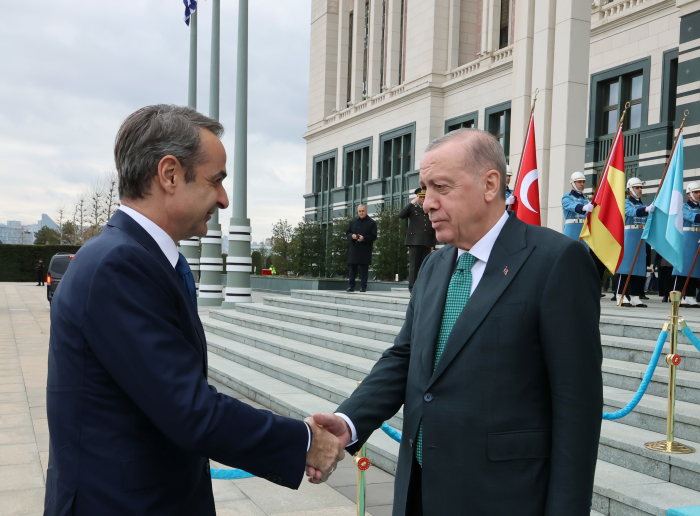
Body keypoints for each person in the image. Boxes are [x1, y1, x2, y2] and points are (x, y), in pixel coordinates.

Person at [44, 105, 344, 516]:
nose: (223, 198)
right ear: (169, 174)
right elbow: (189, 410)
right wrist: (304, 442)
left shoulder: (145, 259)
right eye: (215, 180)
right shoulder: (119, 266)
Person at [307, 128, 603, 515]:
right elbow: (405, 357)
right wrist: (349, 421)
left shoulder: (557, 261)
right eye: (424, 189)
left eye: (441, 188)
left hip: (503, 498)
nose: (427, 203)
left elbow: (577, 406)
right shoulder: (435, 264)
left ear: (490, 184)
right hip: (419, 492)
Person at [561, 171, 607, 296]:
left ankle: (582, 288)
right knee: (571, 260)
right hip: (572, 230)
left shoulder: (587, 200)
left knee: (584, 261)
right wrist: (583, 208)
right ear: (573, 183)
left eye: (583, 182)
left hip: (585, 230)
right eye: (579, 182)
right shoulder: (567, 197)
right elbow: (571, 206)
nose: (582, 184)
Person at [612, 178, 653, 307]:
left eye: (641, 187)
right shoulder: (625, 203)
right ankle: (620, 295)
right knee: (625, 266)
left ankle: (634, 296)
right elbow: (631, 212)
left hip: (640, 235)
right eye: (637, 188)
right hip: (629, 235)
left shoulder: (643, 205)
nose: (640, 190)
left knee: (639, 266)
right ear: (630, 190)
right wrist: (646, 210)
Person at [398, 188, 437, 294]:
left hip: (426, 242)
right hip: (414, 242)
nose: (423, 199)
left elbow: (433, 228)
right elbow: (401, 215)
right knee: (414, 267)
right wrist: (412, 203)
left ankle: (421, 288)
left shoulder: (429, 210)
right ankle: (412, 289)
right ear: (417, 198)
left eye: (424, 197)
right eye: (421, 197)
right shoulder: (412, 209)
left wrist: (432, 245)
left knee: (424, 267)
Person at [672, 182, 700, 307]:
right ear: (689, 194)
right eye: (696, 192)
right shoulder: (683, 207)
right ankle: (678, 295)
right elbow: (691, 217)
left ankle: (689, 295)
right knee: (683, 267)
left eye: (699, 192)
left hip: (697, 237)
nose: (699, 194)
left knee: (695, 268)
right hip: (687, 237)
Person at [346, 205, 377, 293]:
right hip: (354, 248)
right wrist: (352, 236)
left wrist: (364, 238)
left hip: (365, 248)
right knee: (353, 268)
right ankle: (351, 286)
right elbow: (347, 232)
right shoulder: (353, 221)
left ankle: (363, 287)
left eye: (363, 211)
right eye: (359, 211)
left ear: (366, 211)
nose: (361, 213)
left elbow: (374, 236)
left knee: (364, 269)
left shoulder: (372, 222)